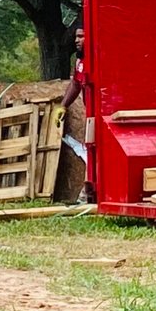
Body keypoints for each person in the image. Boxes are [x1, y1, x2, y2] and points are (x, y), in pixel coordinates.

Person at [61, 20, 94, 203]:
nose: (77, 40)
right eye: (76, 37)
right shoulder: (80, 60)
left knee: (95, 151)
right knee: (90, 150)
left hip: (101, 116)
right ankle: (88, 190)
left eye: (81, 36)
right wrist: (63, 105)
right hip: (90, 116)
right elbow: (75, 84)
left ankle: (88, 191)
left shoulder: (97, 58)